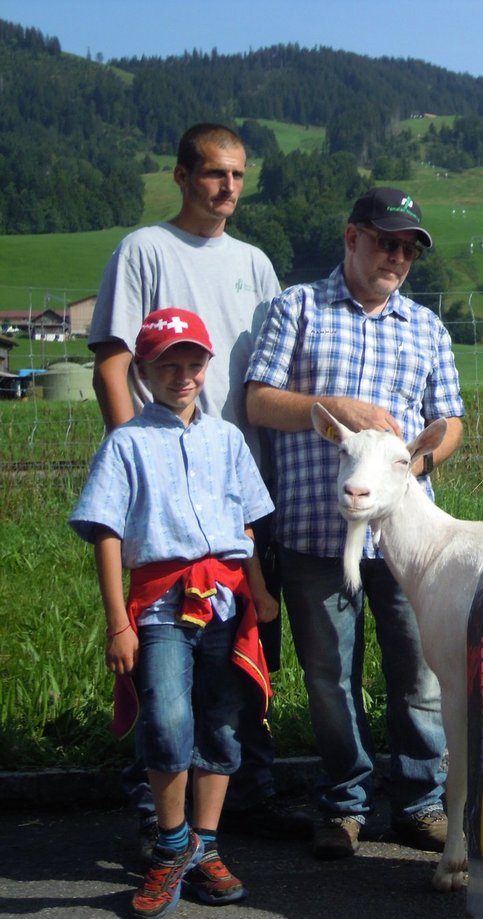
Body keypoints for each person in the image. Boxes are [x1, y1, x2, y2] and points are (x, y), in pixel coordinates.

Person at [86, 122, 302, 856]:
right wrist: (138, 460)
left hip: (238, 490)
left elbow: (275, 371)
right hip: (165, 505)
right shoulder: (145, 250)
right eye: (214, 173)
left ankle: (248, 795)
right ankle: (160, 815)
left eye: (239, 174)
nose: (229, 187)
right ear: (181, 176)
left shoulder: (255, 264)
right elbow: (114, 364)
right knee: (165, 670)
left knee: (243, 657)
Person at [245, 187, 465, 860]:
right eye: (385, 241)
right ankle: (345, 803)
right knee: (328, 676)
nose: (397, 256)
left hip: (405, 540)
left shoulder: (426, 327)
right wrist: (334, 405)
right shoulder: (298, 308)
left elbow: (450, 420)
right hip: (316, 528)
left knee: (420, 670)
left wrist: (418, 464)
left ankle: (421, 800)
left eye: (407, 248)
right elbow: (258, 399)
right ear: (352, 237)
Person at [70, 307, 278, 919]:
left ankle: (205, 845)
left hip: (223, 598)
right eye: (169, 366)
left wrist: (260, 590)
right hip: (160, 604)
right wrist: (118, 622)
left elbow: (245, 523)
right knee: (165, 716)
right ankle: (170, 843)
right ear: (144, 371)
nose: (183, 376)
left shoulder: (227, 439)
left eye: (193, 364)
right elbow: (107, 532)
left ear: (207, 368)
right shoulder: (127, 444)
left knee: (221, 718)